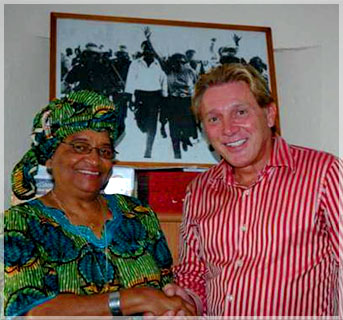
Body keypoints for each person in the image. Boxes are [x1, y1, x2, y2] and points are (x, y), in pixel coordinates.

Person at [167, 63, 342, 316]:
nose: (228, 129)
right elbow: (193, 273)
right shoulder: (199, 190)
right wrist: (185, 302)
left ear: (269, 115)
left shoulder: (325, 173)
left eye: (240, 112)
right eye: (214, 118)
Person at [4, 90, 196, 317]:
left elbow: (166, 294)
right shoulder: (19, 222)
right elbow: (30, 312)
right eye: (80, 147)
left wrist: (179, 308)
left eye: (104, 151)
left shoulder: (139, 215)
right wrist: (134, 298)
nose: (95, 160)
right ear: (49, 155)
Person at [124, 39, 168, 158]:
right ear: (142, 50)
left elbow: (164, 79)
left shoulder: (159, 64)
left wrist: (165, 95)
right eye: (146, 49)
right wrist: (129, 96)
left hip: (155, 96)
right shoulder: (135, 63)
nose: (148, 51)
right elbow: (130, 79)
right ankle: (145, 129)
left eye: (150, 49)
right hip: (140, 96)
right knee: (141, 124)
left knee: (152, 124)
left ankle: (148, 150)